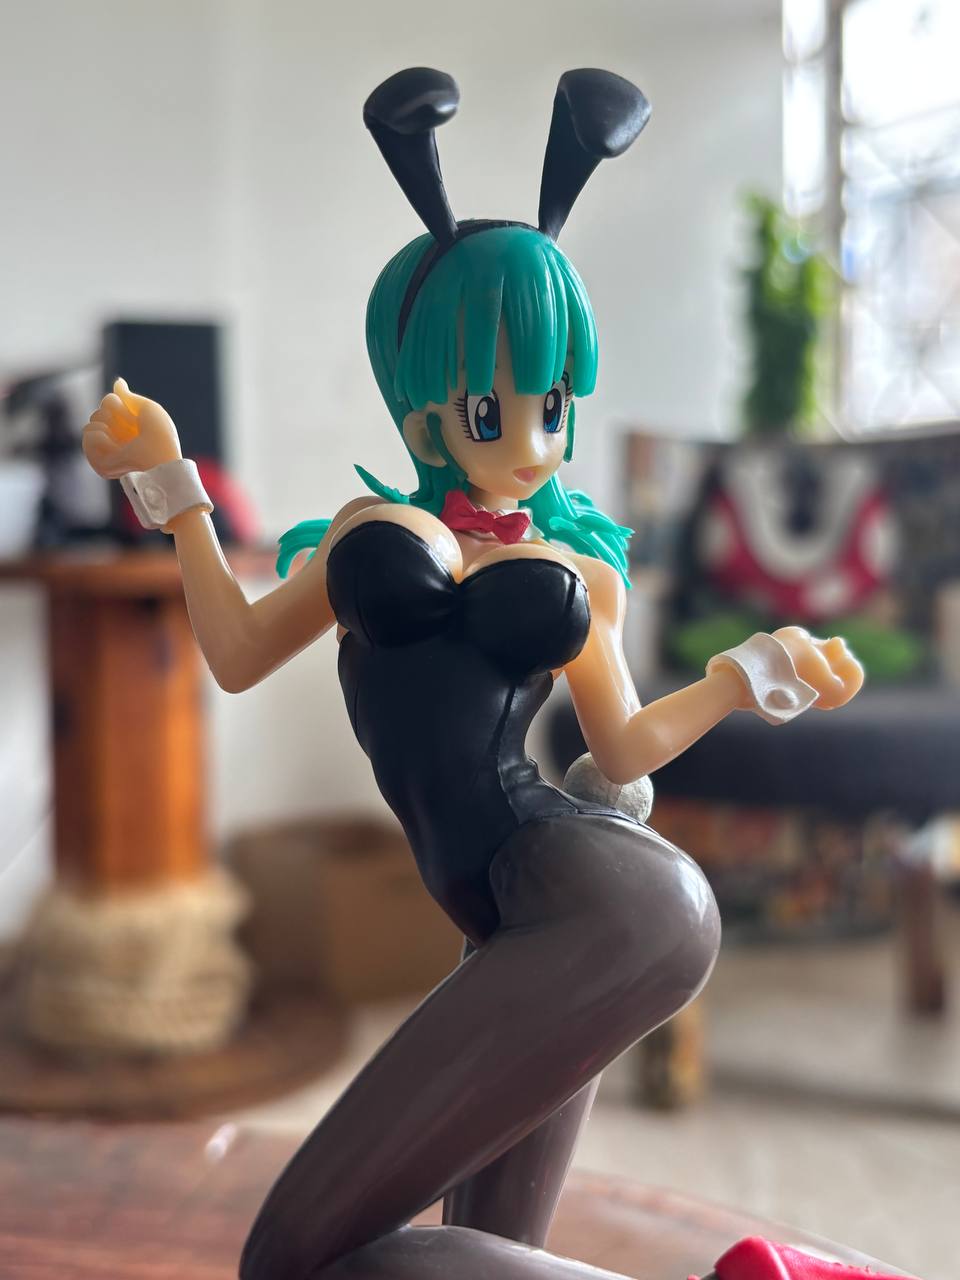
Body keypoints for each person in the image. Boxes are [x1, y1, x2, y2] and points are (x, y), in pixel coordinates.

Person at [81, 68, 863, 1280]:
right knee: (467, 1256)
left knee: (290, 1254)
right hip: (519, 917)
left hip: (606, 888)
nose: (533, 440)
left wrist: (750, 671)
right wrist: (176, 488)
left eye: (553, 404)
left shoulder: (573, 564)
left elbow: (620, 748)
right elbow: (233, 654)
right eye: (493, 408)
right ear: (424, 404)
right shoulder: (362, 537)